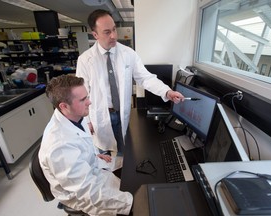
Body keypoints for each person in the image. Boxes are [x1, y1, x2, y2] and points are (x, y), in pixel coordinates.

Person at [76, 9, 184, 156]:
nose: (113, 35)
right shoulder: (85, 60)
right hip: (99, 117)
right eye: (107, 32)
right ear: (95, 35)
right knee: (103, 156)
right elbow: (82, 93)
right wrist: (86, 120)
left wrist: (167, 91)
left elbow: (145, 78)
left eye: (114, 29)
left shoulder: (128, 54)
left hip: (122, 114)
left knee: (123, 153)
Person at [39, 75, 133, 215]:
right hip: (80, 195)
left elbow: (81, 141)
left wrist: (93, 154)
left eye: (87, 96)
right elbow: (89, 193)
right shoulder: (58, 146)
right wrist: (132, 203)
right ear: (64, 106)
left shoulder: (74, 115)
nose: (89, 102)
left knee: (131, 167)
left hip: (92, 169)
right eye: (83, 99)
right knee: (134, 203)